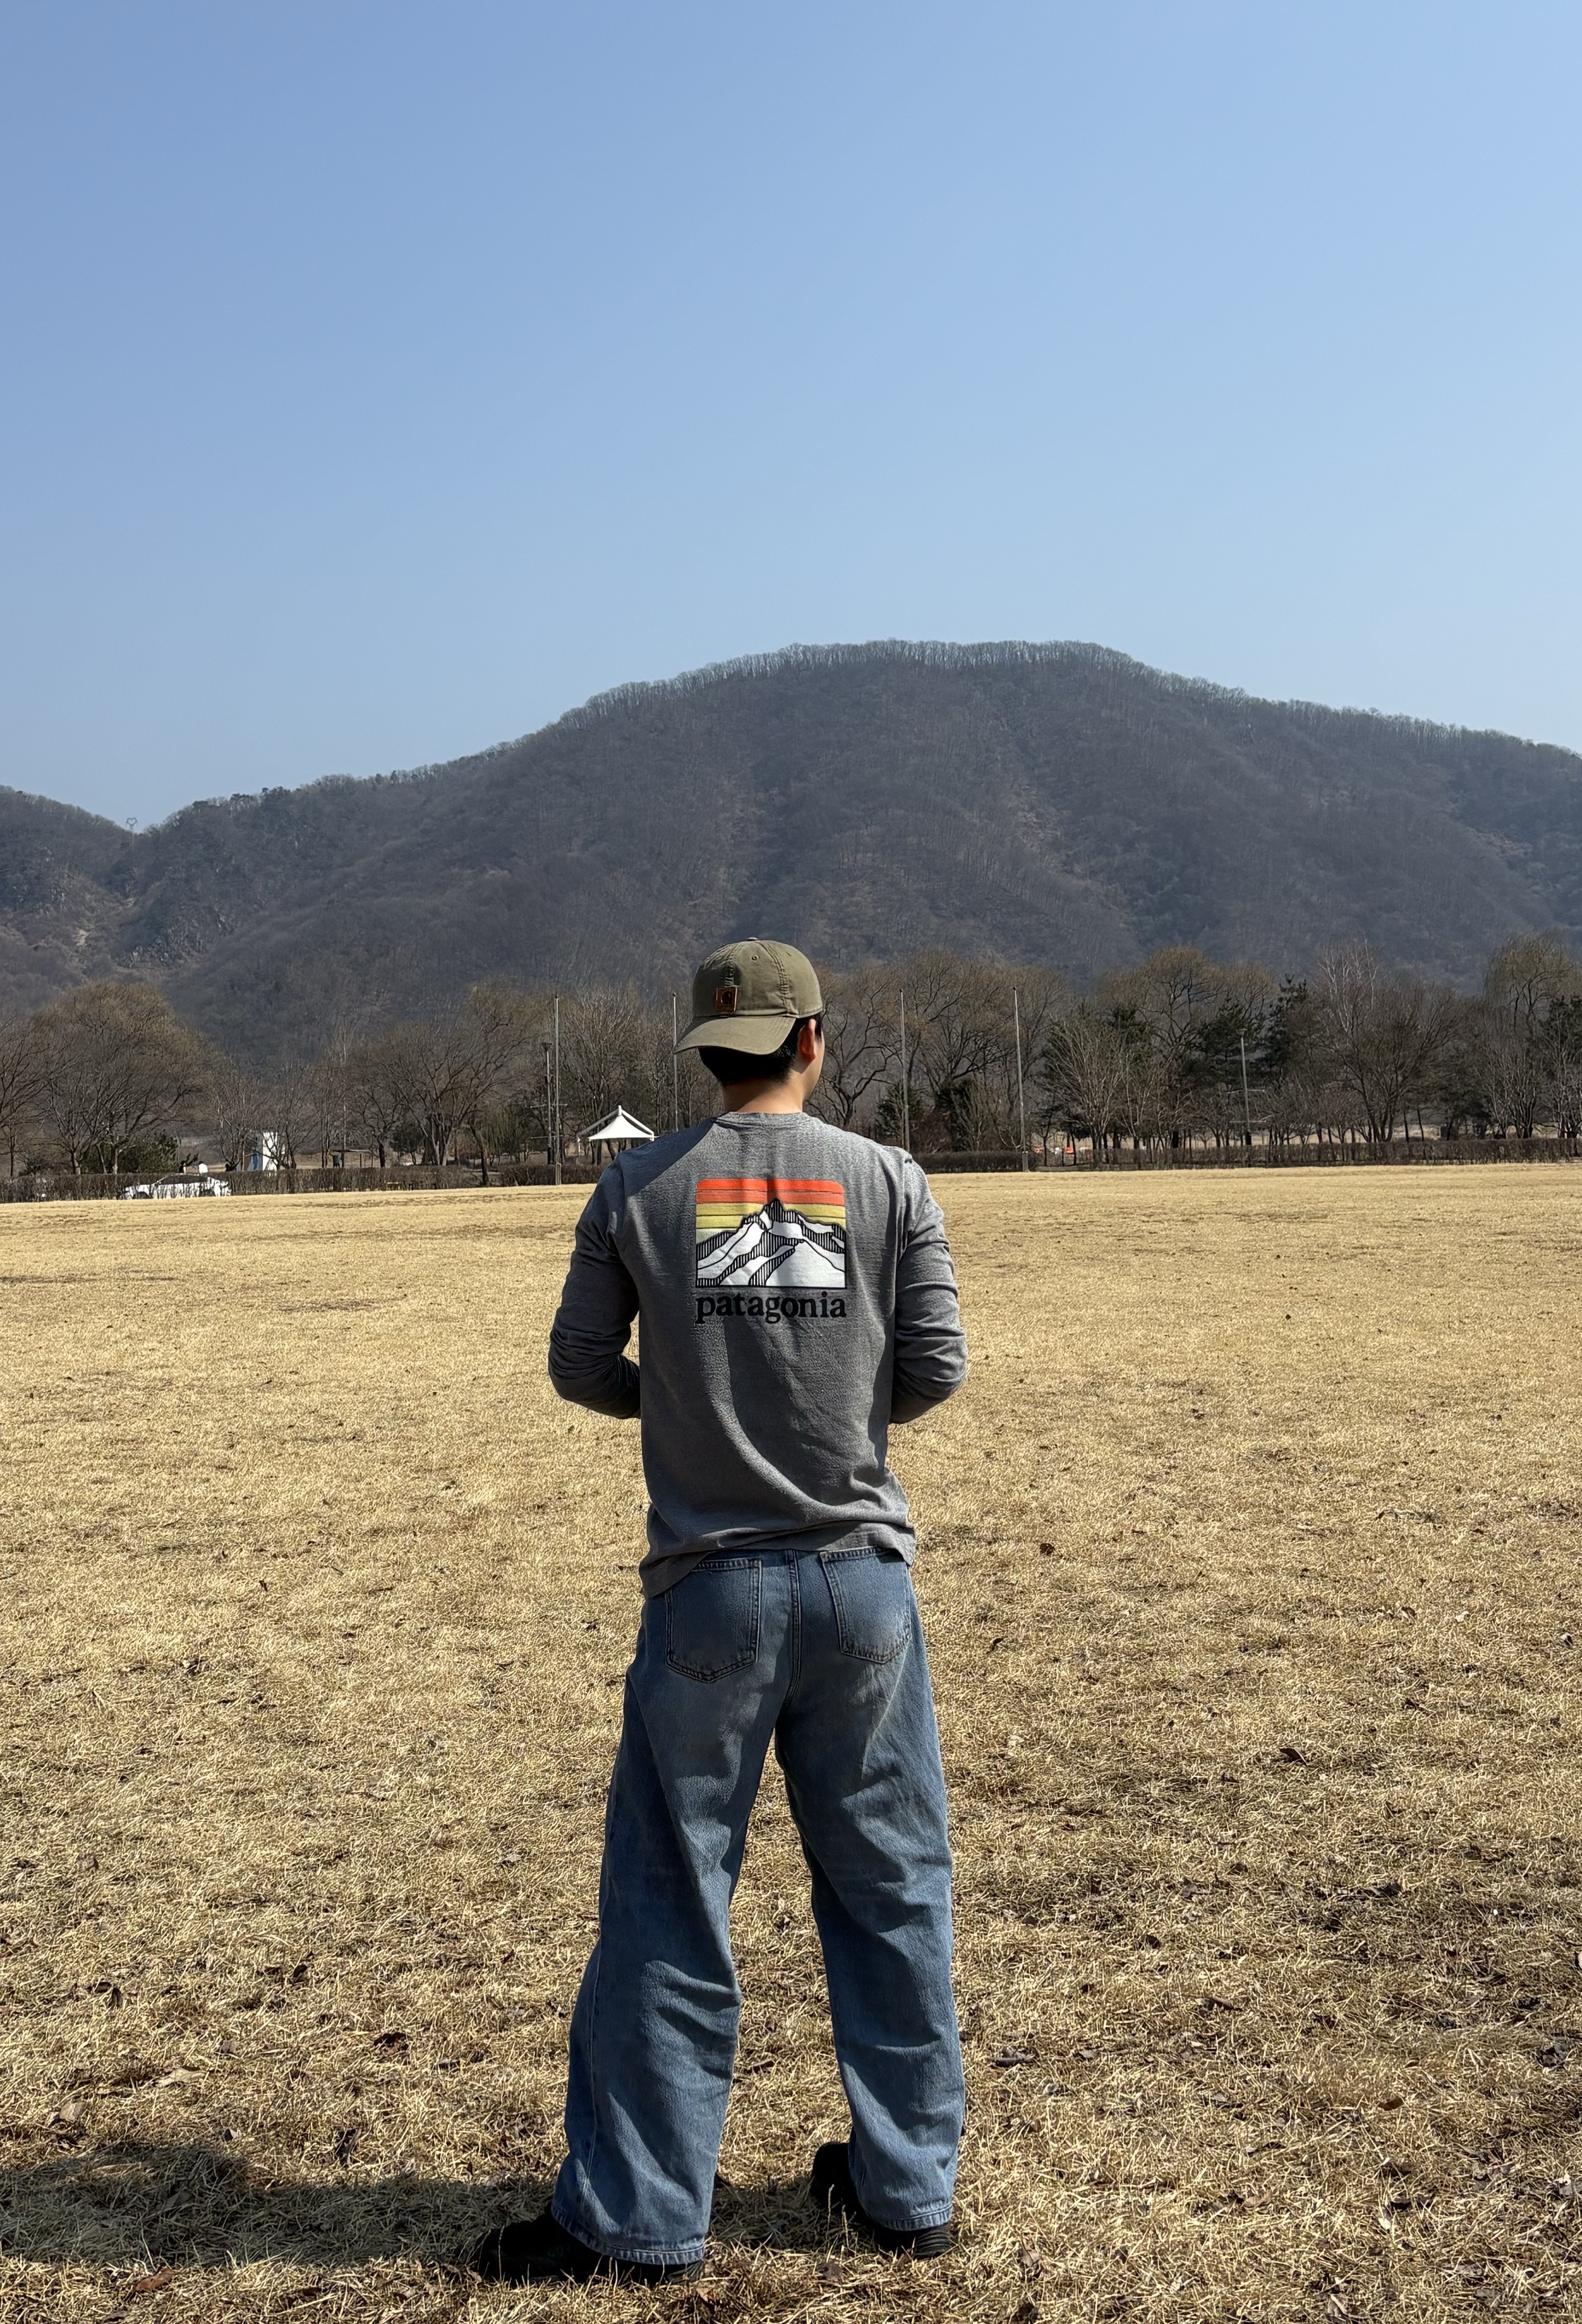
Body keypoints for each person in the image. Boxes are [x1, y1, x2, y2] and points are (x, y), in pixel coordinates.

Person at [472, 938, 971, 2288]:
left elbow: (581, 1363)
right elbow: (936, 1363)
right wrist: (838, 1420)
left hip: (708, 1593)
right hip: (864, 1584)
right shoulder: (891, 1182)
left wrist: (684, 1409)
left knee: (670, 1898)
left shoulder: (635, 1185)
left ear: (710, 1050)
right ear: (815, 1040)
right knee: (891, 1887)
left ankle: (638, 2215)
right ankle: (906, 2187)